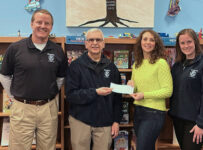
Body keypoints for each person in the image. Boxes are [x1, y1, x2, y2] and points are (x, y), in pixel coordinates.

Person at [0, 9, 68, 150]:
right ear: (32, 24)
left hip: (48, 109)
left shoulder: (57, 51)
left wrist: (48, 93)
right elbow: (4, 76)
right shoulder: (15, 48)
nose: (43, 26)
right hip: (22, 109)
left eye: (47, 23)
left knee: (48, 147)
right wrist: (14, 95)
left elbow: (60, 78)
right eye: (39, 22)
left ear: (51, 27)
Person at [66, 28, 122, 150]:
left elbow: (117, 98)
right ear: (86, 44)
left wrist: (116, 121)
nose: (95, 43)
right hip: (80, 119)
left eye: (98, 40)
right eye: (91, 40)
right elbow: (71, 95)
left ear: (103, 43)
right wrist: (95, 92)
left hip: (105, 121)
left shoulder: (112, 68)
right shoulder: (75, 66)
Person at [168, 28, 203, 150]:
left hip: (195, 123)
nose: (186, 46)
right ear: (179, 45)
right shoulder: (177, 66)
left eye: (189, 42)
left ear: (195, 42)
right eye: (182, 43)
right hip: (178, 119)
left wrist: (202, 124)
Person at [127, 29, 173, 150]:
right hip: (138, 111)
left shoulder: (161, 63)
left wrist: (144, 95)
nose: (148, 42)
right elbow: (135, 89)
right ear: (140, 42)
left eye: (152, 40)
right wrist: (131, 86)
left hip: (154, 113)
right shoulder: (137, 63)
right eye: (145, 39)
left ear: (156, 43)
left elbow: (168, 91)